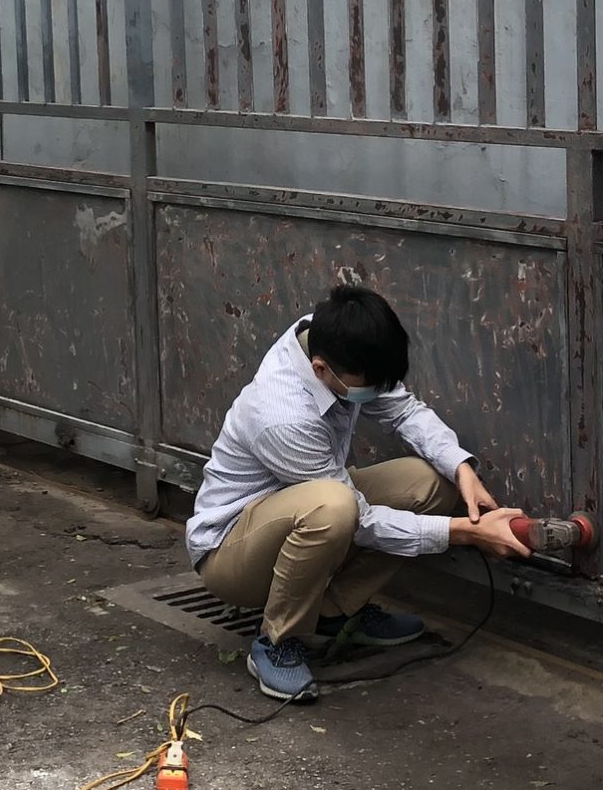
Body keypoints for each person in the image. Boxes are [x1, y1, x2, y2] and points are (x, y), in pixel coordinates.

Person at [189, 284, 533, 702]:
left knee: (430, 484)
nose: (373, 391)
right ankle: (277, 643)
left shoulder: (335, 342)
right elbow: (360, 519)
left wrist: (461, 468)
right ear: (320, 370)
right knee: (334, 508)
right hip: (231, 553)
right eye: (366, 385)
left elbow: (403, 410)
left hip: (301, 508)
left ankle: (334, 612)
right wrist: (467, 532)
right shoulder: (282, 416)